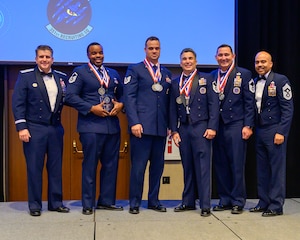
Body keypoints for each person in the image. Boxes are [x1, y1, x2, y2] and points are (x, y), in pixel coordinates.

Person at [65, 42, 124, 215]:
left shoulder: (112, 74)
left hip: (112, 127)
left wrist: (121, 105)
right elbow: (69, 97)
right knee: (90, 166)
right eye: (94, 53)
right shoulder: (80, 72)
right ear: (88, 55)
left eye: (100, 53)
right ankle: (88, 204)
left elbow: (122, 95)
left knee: (111, 166)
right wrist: (91, 108)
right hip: (90, 127)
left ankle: (106, 201)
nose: (98, 56)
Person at [12, 45, 70, 217]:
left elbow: (68, 99)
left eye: (48, 57)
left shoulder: (61, 77)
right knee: (34, 168)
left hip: (55, 128)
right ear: (36, 59)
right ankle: (35, 205)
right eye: (41, 57)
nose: (44, 60)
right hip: (34, 128)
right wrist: (22, 127)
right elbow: (18, 103)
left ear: (53, 59)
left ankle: (56, 203)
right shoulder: (26, 76)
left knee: (55, 168)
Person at [123, 36, 172, 214]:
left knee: (157, 168)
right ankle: (134, 203)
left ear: (160, 50)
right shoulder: (135, 69)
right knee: (138, 168)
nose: (154, 51)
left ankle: (154, 201)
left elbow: (169, 102)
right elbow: (129, 98)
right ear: (145, 49)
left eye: (157, 48)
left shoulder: (166, 73)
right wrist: (134, 122)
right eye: (150, 48)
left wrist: (170, 126)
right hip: (141, 128)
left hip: (160, 129)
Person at [169, 48, 219, 217]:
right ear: (180, 61)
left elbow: (213, 104)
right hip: (183, 128)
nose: (187, 61)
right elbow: (172, 110)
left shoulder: (207, 78)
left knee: (203, 167)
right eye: (184, 59)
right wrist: (174, 131)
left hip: (202, 127)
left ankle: (205, 205)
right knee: (187, 166)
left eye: (190, 58)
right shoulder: (175, 83)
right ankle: (188, 202)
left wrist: (212, 127)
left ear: (196, 61)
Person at [211, 44, 255, 214]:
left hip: (236, 125)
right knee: (220, 164)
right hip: (217, 126)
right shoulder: (212, 76)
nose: (223, 58)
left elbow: (249, 102)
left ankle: (238, 200)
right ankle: (224, 199)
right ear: (215, 57)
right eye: (220, 55)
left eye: (226, 55)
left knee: (236, 164)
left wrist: (248, 125)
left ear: (233, 56)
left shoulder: (243, 74)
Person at [249, 51, 293, 216]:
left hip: (275, 130)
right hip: (260, 130)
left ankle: (275, 205)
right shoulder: (254, 81)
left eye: (263, 62)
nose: (260, 65)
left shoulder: (281, 80)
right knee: (262, 169)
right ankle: (263, 201)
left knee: (276, 169)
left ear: (271, 63)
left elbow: (288, 109)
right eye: (257, 62)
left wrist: (281, 131)